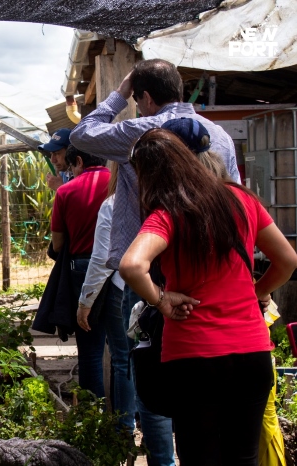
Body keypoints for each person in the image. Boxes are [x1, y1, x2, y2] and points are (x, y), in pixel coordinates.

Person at [70, 59, 240, 466]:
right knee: (208, 365)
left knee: (150, 366)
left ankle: (163, 460)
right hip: (211, 267)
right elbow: (236, 199)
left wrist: (119, 93)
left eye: (139, 97)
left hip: (152, 266)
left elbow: (82, 134)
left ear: (145, 97)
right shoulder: (218, 135)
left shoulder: (141, 131)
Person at [119, 128, 297, 466]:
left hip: (192, 357)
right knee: (244, 458)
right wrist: (254, 293)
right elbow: (287, 260)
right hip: (252, 354)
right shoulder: (242, 199)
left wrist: (161, 300)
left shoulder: (168, 212)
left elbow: (131, 266)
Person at [76, 162, 135, 433]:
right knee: (152, 358)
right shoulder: (161, 200)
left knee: (124, 359)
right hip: (158, 289)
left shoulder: (113, 204)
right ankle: (150, 424)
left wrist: (85, 301)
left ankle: (124, 426)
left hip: (122, 288)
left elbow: (102, 259)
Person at [50, 144, 110, 398]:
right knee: (122, 346)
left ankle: (94, 413)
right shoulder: (120, 183)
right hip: (121, 269)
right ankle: (126, 416)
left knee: (90, 348)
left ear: (78, 161)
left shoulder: (66, 191)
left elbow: (58, 243)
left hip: (83, 267)